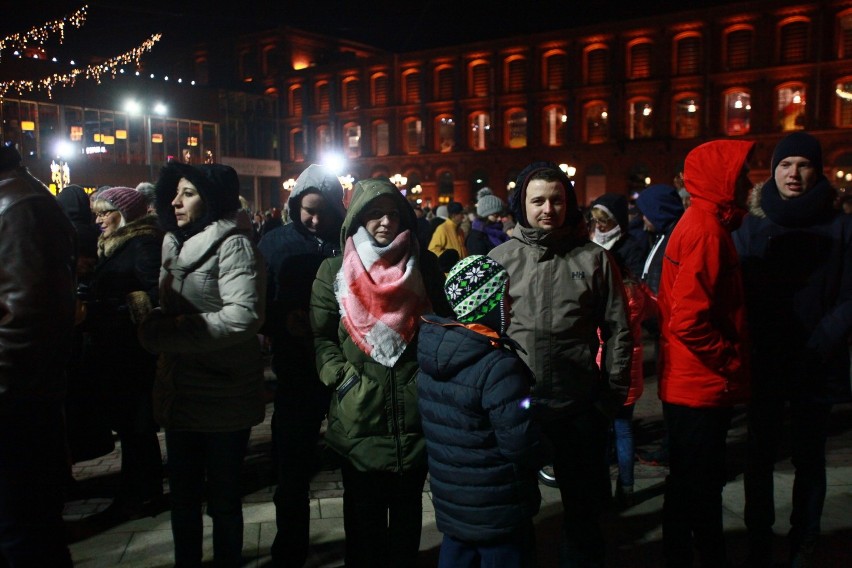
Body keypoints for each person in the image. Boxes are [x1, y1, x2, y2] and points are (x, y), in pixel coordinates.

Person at [489, 161, 632, 566]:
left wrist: (611, 394)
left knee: (583, 513)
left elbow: (619, 329)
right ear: (522, 204)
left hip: (578, 405)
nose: (548, 209)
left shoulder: (594, 260)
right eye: (538, 200)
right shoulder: (501, 259)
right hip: (519, 405)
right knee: (515, 511)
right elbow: (482, 333)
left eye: (556, 199)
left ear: (569, 202)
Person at [310, 178, 451, 567]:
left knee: (407, 526)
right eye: (375, 214)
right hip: (358, 416)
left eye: (393, 213)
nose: (386, 222)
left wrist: (429, 377)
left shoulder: (424, 265)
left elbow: (444, 325)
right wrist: (342, 379)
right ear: (357, 218)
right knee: (363, 529)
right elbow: (321, 337)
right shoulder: (333, 270)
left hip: (414, 413)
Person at [733, 132, 852, 567]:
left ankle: (805, 537)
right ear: (774, 170)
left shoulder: (841, 227)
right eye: (786, 164)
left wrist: (820, 343)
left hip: (816, 363)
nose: (794, 173)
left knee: (808, 458)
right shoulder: (752, 225)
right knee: (759, 455)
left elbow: (848, 298)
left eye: (803, 164)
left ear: (818, 171)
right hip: (765, 360)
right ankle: (759, 537)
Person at [139, 162, 267, 567]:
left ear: (210, 200)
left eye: (188, 193)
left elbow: (243, 316)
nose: (176, 202)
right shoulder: (172, 242)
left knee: (224, 501)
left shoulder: (234, 245)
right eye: (174, 193)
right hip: (181, 392)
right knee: (182, 501)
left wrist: (170, 331)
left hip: (222, 392)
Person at [657, 139, 754, 567]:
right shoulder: (706, 231)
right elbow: (688, 320)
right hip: (699, 384)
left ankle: (680, 555)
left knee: (686, 485)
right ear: (723, 180)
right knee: (700, 486)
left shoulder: (703, 224)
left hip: (690, 381)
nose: (751, 181)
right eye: (742, 174)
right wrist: (730, 361)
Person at [417, 255, 541, 567]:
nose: (510, 304)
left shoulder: (435, 356)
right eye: (504, 297)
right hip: (498, 504)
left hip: (454, 501)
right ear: (488, 305)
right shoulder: (499, 367)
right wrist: (547, 441)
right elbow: (519, 441)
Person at [258, 163, 345, 567]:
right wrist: (280, 319)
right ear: (294, 207)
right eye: (307, 210)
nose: (314, 219)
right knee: (291, 468)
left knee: (353, 462)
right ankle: (289, 549)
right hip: (295, 368)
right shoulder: (274, 244)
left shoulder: (347, 242)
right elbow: (256, 301)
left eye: (322, 211)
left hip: (344, 368)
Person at [0, 143, 76, 566]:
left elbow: (26, 322)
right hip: (20, 407)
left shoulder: (18, 206)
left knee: (23, 538)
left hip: (16, 414)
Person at [80, 187, 165, 520]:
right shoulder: (112, 244)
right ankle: (143, 490)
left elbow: (155, 292)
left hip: (132, 349)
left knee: (136, 426)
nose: (99, 219)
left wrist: (129, 306)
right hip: (116, 347)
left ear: (127, 214)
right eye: (97, 213)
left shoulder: (142, 242)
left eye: (105, 212)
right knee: (131, 426)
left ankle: (139, 494)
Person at [589, 193, 654, 509]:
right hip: (632, 366)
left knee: (607, 431)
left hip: (607, 363)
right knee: (623, 430)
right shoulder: (635, 291)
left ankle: (602, 488)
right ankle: (625, 487)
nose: (599, 225)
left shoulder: (614, 290)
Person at [633, 184, 685, 467]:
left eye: (646, 213)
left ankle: (673, 448)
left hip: (669, 328)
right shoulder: (663, 235)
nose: (643, 219)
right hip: (660, 326)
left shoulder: (674, 237)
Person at [589, 193, 647, 278]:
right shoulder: (591, 240)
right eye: (595, 220)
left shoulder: (632, 248)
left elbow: (635, 280)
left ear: (616, 221)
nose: (597, 226)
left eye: (602, 220)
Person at [466, 188, 509, 255]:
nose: (499, 218)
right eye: (495, 215)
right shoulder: (477, 237)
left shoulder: (502, 231)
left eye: (500, 214)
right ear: (484, 216)